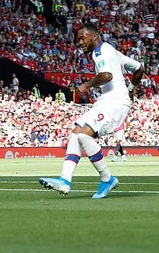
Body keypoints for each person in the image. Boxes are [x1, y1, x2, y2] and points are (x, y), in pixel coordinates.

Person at [39, 23, 144, 198]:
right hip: (109, 100)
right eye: (78, 39)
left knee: (84, 136)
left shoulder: (100, 51)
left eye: (82, 38)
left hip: (115, 102)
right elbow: (139, 68)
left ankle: (107, 179)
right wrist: (131, 90)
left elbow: (106, 76)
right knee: (75, 133)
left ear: (94, 36)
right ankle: (65, 180)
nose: (79, 42)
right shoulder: (113, 52)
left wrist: (85, 86)